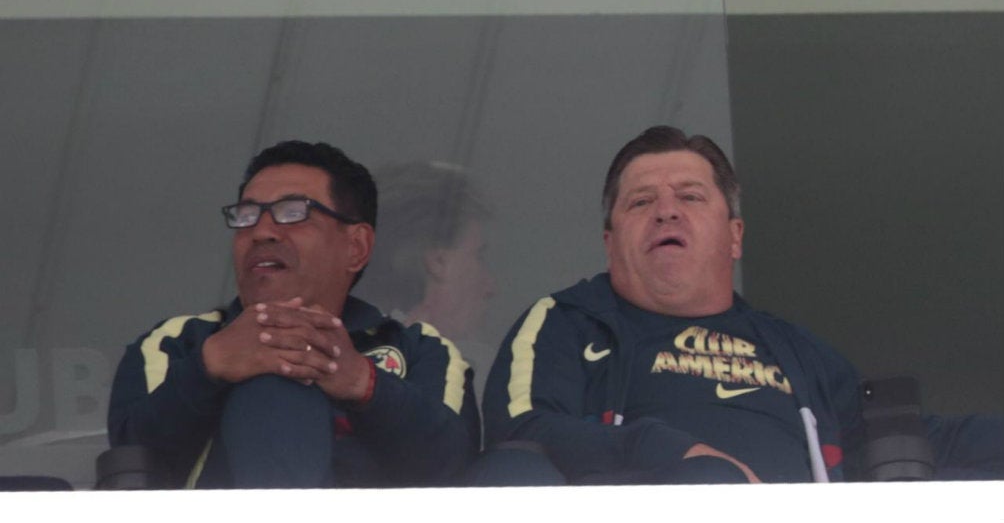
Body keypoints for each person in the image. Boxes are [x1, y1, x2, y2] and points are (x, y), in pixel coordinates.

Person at [481, 125, 1002, 484]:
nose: (666, 212)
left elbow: (909, 440)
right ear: (609, 241)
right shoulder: (565, 323)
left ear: (734, 237)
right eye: (641, 202)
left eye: (690, 197)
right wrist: (670, 450)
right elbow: (519, 434)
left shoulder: (797, 352)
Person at [107, 141, 479, 488]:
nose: (261, 232)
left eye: (292, 213)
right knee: (274, 387)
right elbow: (131, 469)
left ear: (356, 246)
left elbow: (454, 467)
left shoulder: (422, 349)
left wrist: (363, 384)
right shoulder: (180, 342)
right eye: (247, 215)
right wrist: (209, 368)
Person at [354, 161, 497, 380]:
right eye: (479, 256)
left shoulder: (322, 357)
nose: (490, 287)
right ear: (438, 262)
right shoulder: (478, 387)